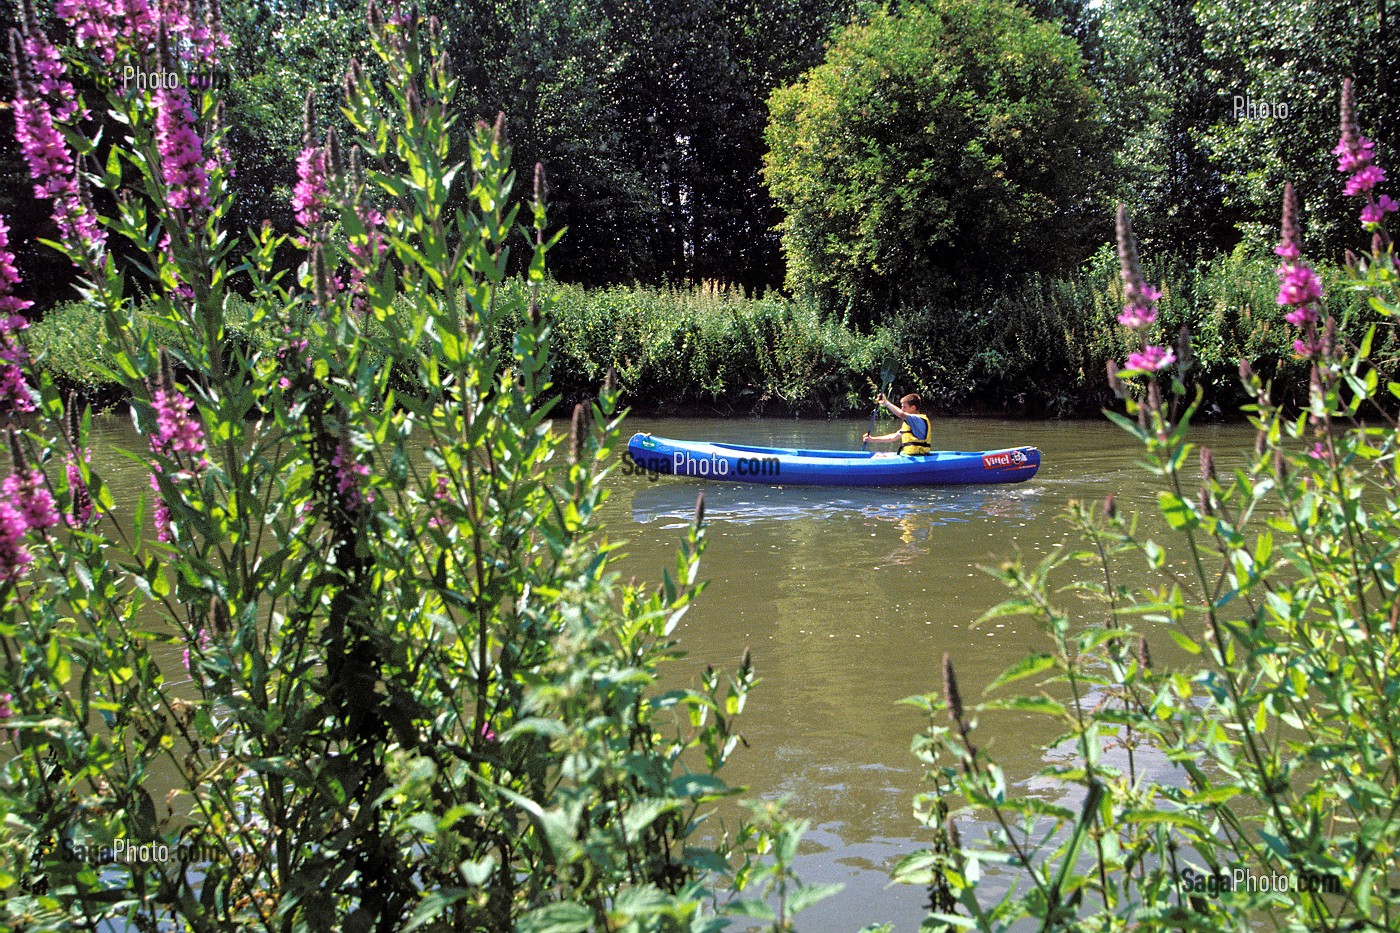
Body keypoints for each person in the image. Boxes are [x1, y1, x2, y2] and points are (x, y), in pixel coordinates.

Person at [862, 392, 932, 456]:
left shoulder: (917, 420)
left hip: (919, 457)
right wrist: (871, 439)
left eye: (904, 407)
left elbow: (901, 414)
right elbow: (893, 438)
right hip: (909, 456)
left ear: (913, 408)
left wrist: (886, 403)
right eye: (901, 407)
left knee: (878, 456)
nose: (902, 409)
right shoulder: (910, 423)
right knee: (878, 454)